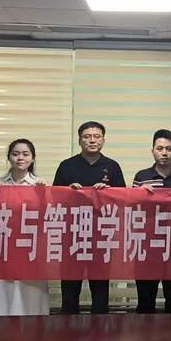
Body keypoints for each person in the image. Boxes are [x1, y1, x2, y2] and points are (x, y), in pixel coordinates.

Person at [53, 121, 126, 314]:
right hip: (72, 236)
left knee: (100, 288)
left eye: (96, 136)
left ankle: (100, 329)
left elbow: (123, 200)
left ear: (103, 140)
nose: (92, 140)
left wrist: (109, 193)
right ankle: (68, 328)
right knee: (70, 288)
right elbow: (54, 199)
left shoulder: (112, 166)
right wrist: (68, 192)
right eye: (87, 137)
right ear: (79, 140)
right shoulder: (67, 166)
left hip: (101, 236)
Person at [0, 139, 49, 316]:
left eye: (25, 154)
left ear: (33, 158)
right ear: (9, 157)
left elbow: (49, 218)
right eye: (15, 154)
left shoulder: (40, 185)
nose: (20, 158)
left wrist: (43, 195)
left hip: (29, 248)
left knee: (29, 294)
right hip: (3, 247)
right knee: (1, 293)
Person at [132, 129, 171, 313]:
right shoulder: (141, 176)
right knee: (145, 301)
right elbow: (131, 209)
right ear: (152, 151)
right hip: (147, 245)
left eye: (168, 149)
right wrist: (138, 194)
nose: (164, 153)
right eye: (160, 148)